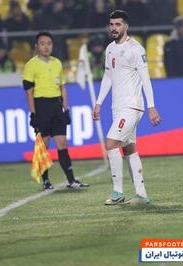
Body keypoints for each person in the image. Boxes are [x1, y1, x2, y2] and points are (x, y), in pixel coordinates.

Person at [92, 10, 161, 205]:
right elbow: (108, 77)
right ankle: (141, 195)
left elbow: (145, 79)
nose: (114, 28)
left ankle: (117, 192)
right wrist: (99, 102)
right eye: (112, 24)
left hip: (132, 107)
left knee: (111, 144)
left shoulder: (136, 49)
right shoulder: (110, 49)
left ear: (126, 26)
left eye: (118, 24)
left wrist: (152, 107)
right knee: (129, 148)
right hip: (117, 108)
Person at [23, 31, 89, 190]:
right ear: (37, 46)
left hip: (56, 106)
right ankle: (46, 180)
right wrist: (33, 113)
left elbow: (63, 88)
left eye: (49, 43)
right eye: (43, 43)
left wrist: (65, 109)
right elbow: (29, 92)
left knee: (62, 143)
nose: (46, 46)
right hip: (41, 106)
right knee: (44, 145)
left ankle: (71, 180)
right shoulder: (31, 65)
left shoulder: (57, 63)